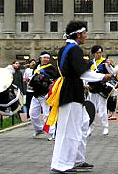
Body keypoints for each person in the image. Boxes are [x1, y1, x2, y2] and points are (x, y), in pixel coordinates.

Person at [47, 21, 113, 173]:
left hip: (71, 89)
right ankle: (62, 164)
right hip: (71, 92)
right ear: (78, 35)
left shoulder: (65, 48)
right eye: (84, 33)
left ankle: (76, 159)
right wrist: (103, 77)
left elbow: (72, 71)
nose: (85, 36)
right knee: (69, 129)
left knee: (82, 124)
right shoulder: (74, 49)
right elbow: (84, 73)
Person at [29, 52, 59, 140]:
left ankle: (52, 133)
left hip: (46, 95)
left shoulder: (51, 68)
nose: (45, 59)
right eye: (44, 57)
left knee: (47, 114)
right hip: (36, 94)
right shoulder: (36, 67)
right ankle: (39, 129)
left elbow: (55, 81)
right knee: (32, 114)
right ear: (40, 58)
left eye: (47, 58)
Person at [86, 45, 113, 135]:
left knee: (102, 109)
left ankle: (105, 127)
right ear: (94, 53)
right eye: (97, 53)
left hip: (102, 89)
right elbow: (86, 75)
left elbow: (112, 73)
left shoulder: (105, 62)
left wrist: (110, 65)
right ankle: (90, 127)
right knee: (91, 109)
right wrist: (85, 85)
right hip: (92, 89)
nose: (99, 54)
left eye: (100, 52)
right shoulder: (90, 63)